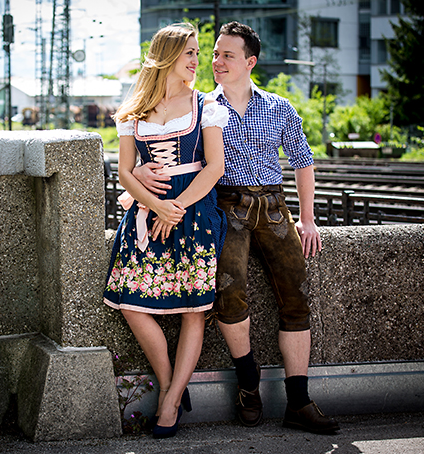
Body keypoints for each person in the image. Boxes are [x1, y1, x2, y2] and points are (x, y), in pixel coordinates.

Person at [133, 21, 339, 434]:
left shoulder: (279, 106)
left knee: (296, 295)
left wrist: (309, 218)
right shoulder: (200, 107)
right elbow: (170, 149)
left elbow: (303, 161)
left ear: (250, 61)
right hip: (226, 206)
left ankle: (298, 402)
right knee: (228, 294)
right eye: (213, 54)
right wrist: (140, 168)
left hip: (275, 206)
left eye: (227, 55)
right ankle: (248, 382)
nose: (216, 61)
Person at [103, 22, 228, 439]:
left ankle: (171, 401)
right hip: (147, 213)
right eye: (190, 52)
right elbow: (123, 170)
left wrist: (174, 207)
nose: (197, 60)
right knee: (131, 302)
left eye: (197, 52)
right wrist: (155, 204)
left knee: (195, 308)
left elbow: (214, 167)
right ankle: (171, 381)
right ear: (168, 56)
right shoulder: (135, 110)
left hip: (193, 212)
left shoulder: (205, 106)